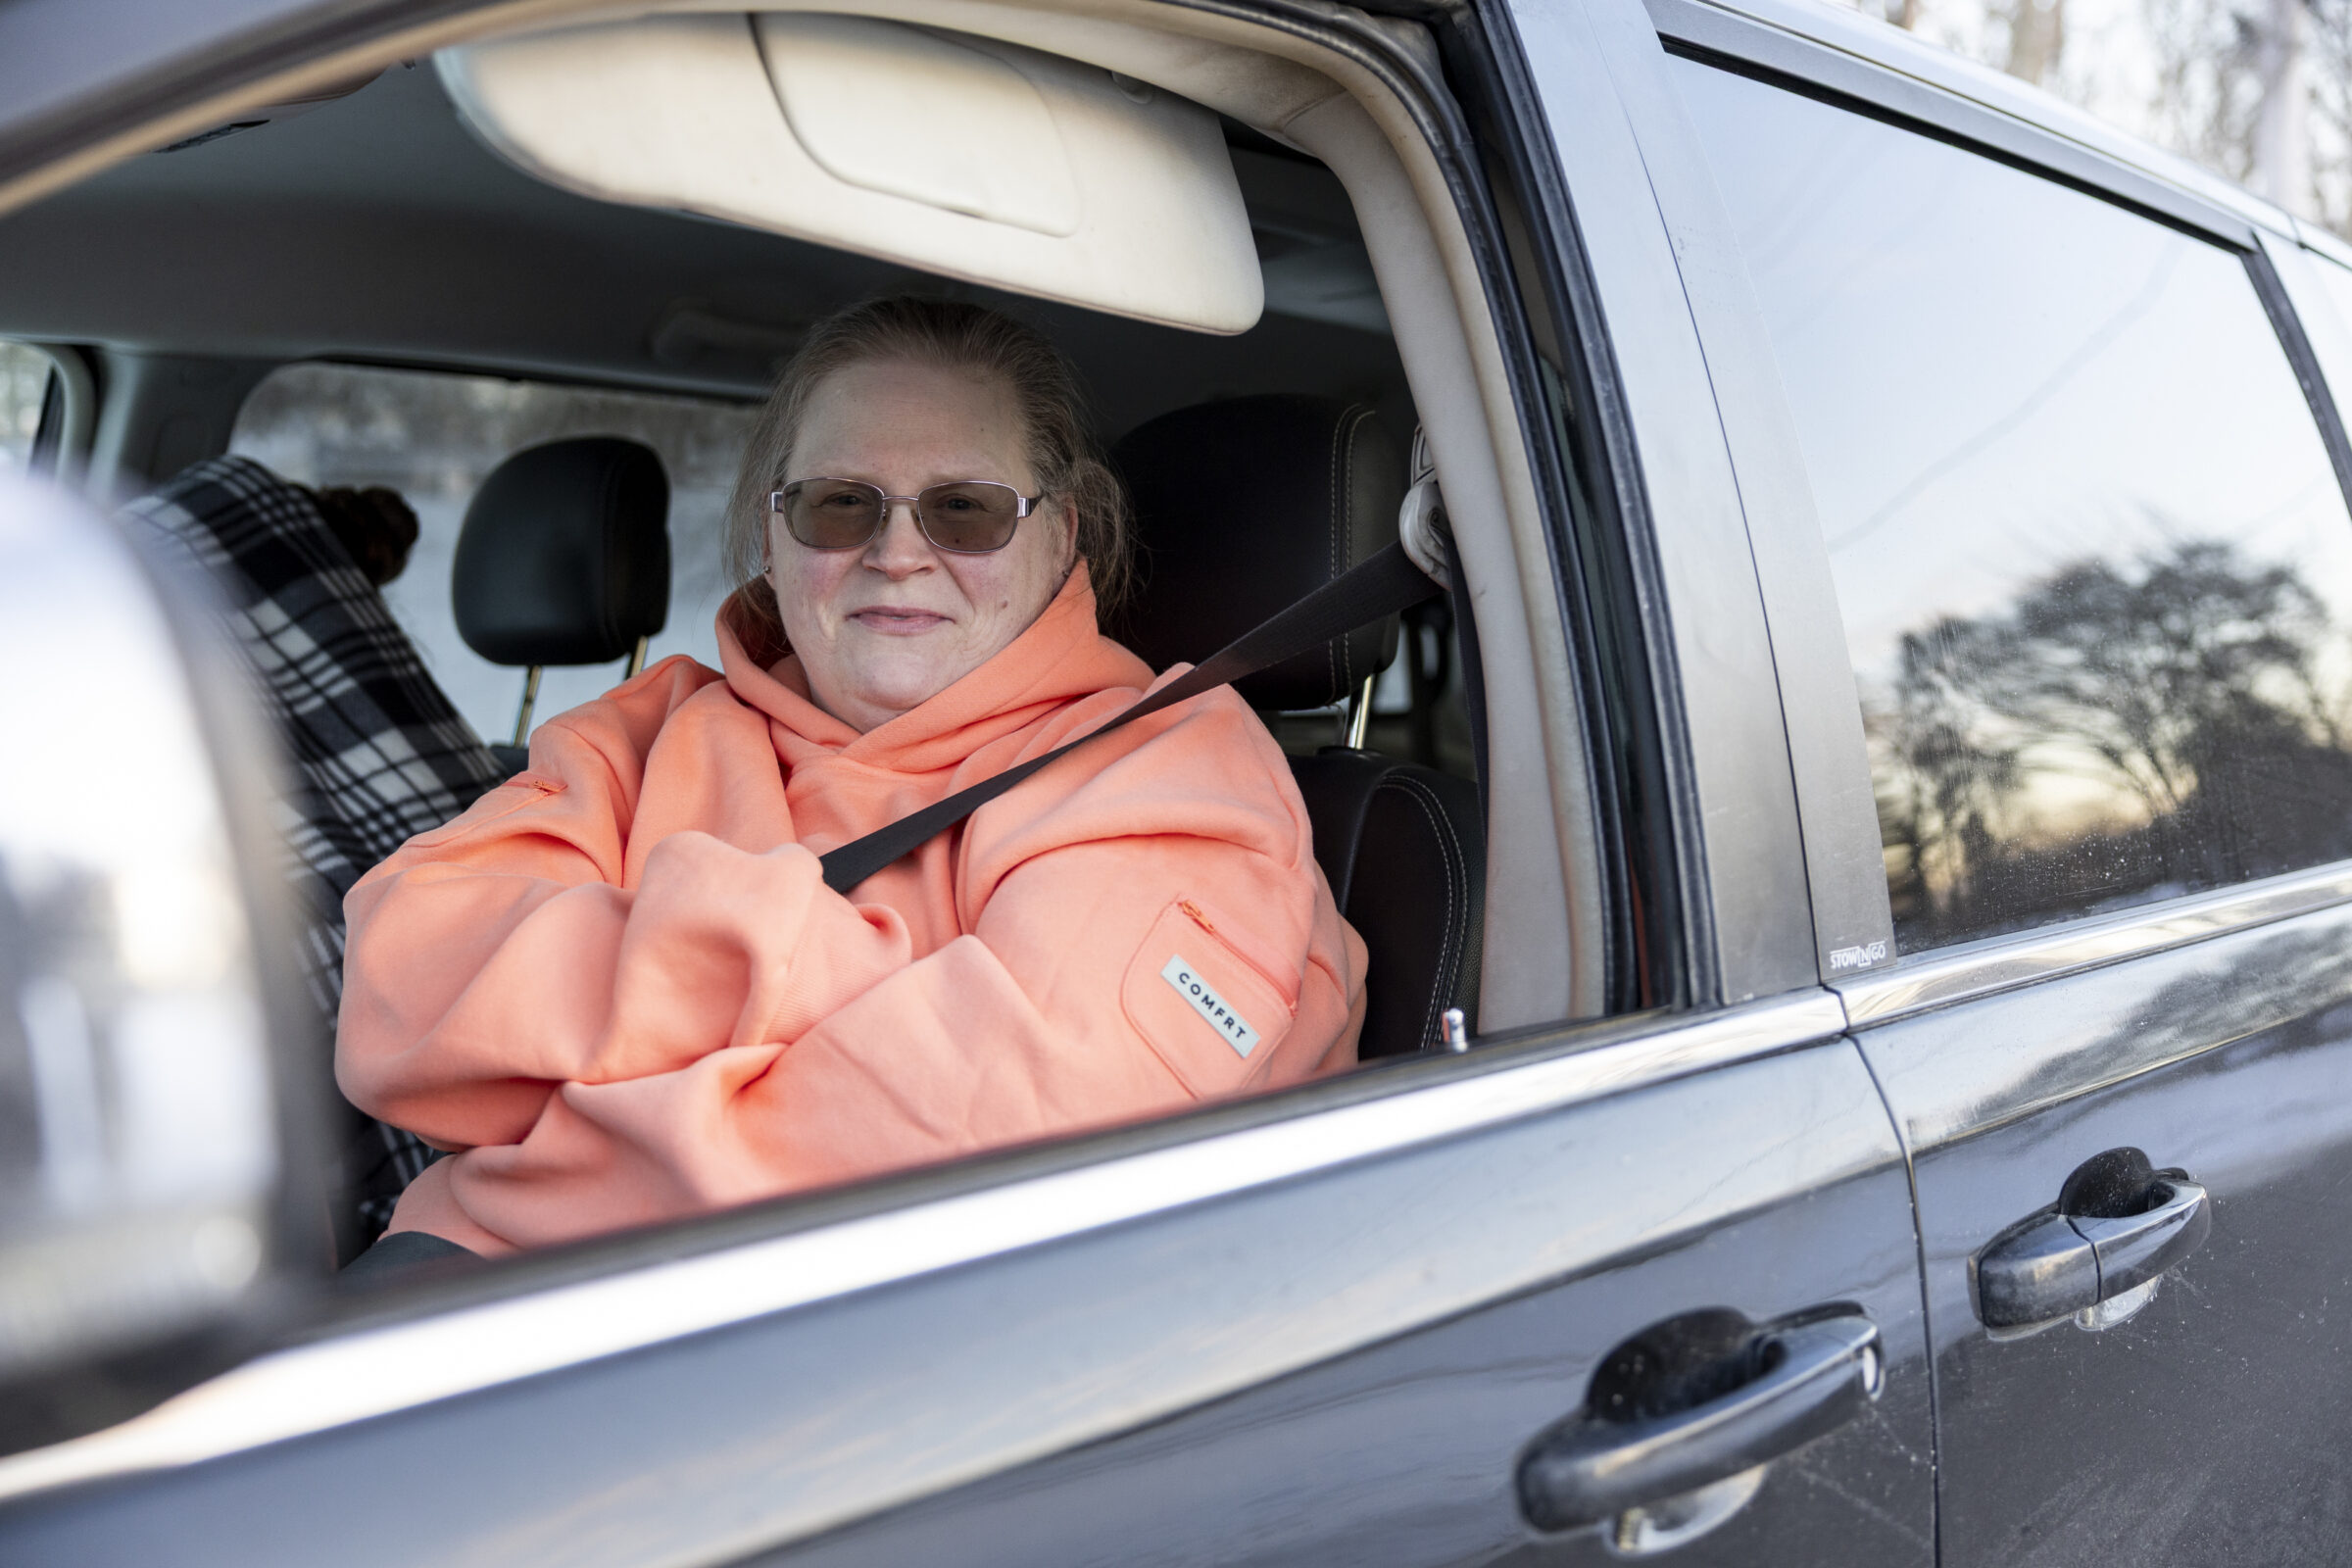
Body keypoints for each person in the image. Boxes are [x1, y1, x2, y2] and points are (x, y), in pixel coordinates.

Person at [335, 297, 1367, 1257]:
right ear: (774, 536)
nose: (899, 551)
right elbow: (396, 994)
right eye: (840, 505)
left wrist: (506, 1174)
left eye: (965, 509)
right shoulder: (649, 729)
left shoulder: (1172, 776)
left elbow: (980, 1186)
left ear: (1062, 533)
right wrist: (812, 967)